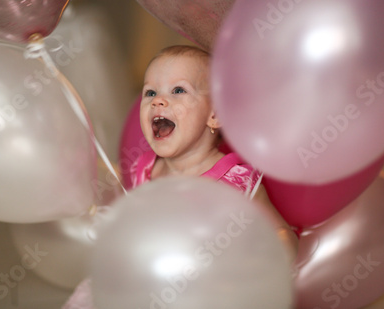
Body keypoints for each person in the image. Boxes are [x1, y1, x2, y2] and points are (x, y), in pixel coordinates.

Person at [63, 45, 297, 309]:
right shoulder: (145, 169)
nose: (158, 101)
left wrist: (267, 258)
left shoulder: (235, 182)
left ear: (215, 115)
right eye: (150, 92)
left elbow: (278, 232)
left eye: (178, 90)